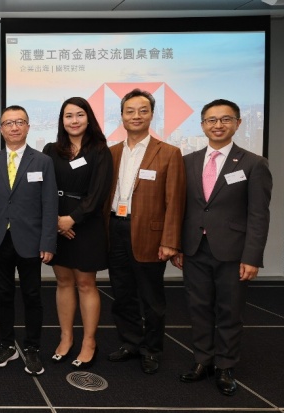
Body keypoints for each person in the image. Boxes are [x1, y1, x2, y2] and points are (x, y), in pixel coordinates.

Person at [172, 99, 272, 396]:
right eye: (211, 120)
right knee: (198, 308)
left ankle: (226, 365)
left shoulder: (253, 163)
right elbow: (180, 208)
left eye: (225, 119)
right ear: (202, 125)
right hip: (194, 248)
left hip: (233, 251)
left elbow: (258, 214)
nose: (218, 125)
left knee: (230, 310)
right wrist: (178, 246)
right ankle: (202, 361)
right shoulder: (187, 161)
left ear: (237, 123)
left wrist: (252, 256)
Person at [105, 89, 186, 374]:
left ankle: (151, 349)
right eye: (130, 111)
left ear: (151, 115)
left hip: (150, 235)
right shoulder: (112, 152)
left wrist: (171, 241)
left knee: (152, 298)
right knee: (122, 293)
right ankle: (130, 342)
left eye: (142, 110)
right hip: (115, 228)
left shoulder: (169, 153)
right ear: (122, 116)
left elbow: (175, 201)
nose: (136, 116)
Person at [0, 105, 58, 376]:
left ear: (28, 127)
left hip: (31, 241)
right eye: (8, 123)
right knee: (2, 296)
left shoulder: (43, 161)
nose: (14, 127)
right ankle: (7, 345)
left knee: (32, 296)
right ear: (1, 129)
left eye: (19, 122)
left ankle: (32, 348)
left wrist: (48, 241)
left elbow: (50, 204)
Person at [41, 97, 113, 370]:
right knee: (63, 281)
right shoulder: (51, 150)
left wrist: (72, 219)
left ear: (88, 118)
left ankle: (89, 342)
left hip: (86, 223)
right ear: (62, 120)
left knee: (85, 283)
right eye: (68, 116)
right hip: (56, 222)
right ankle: (66, 337)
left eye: (79, 115)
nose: (74, 120)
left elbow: (99, 193)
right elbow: (43, 188)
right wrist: (56, 222)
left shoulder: (100, 150)